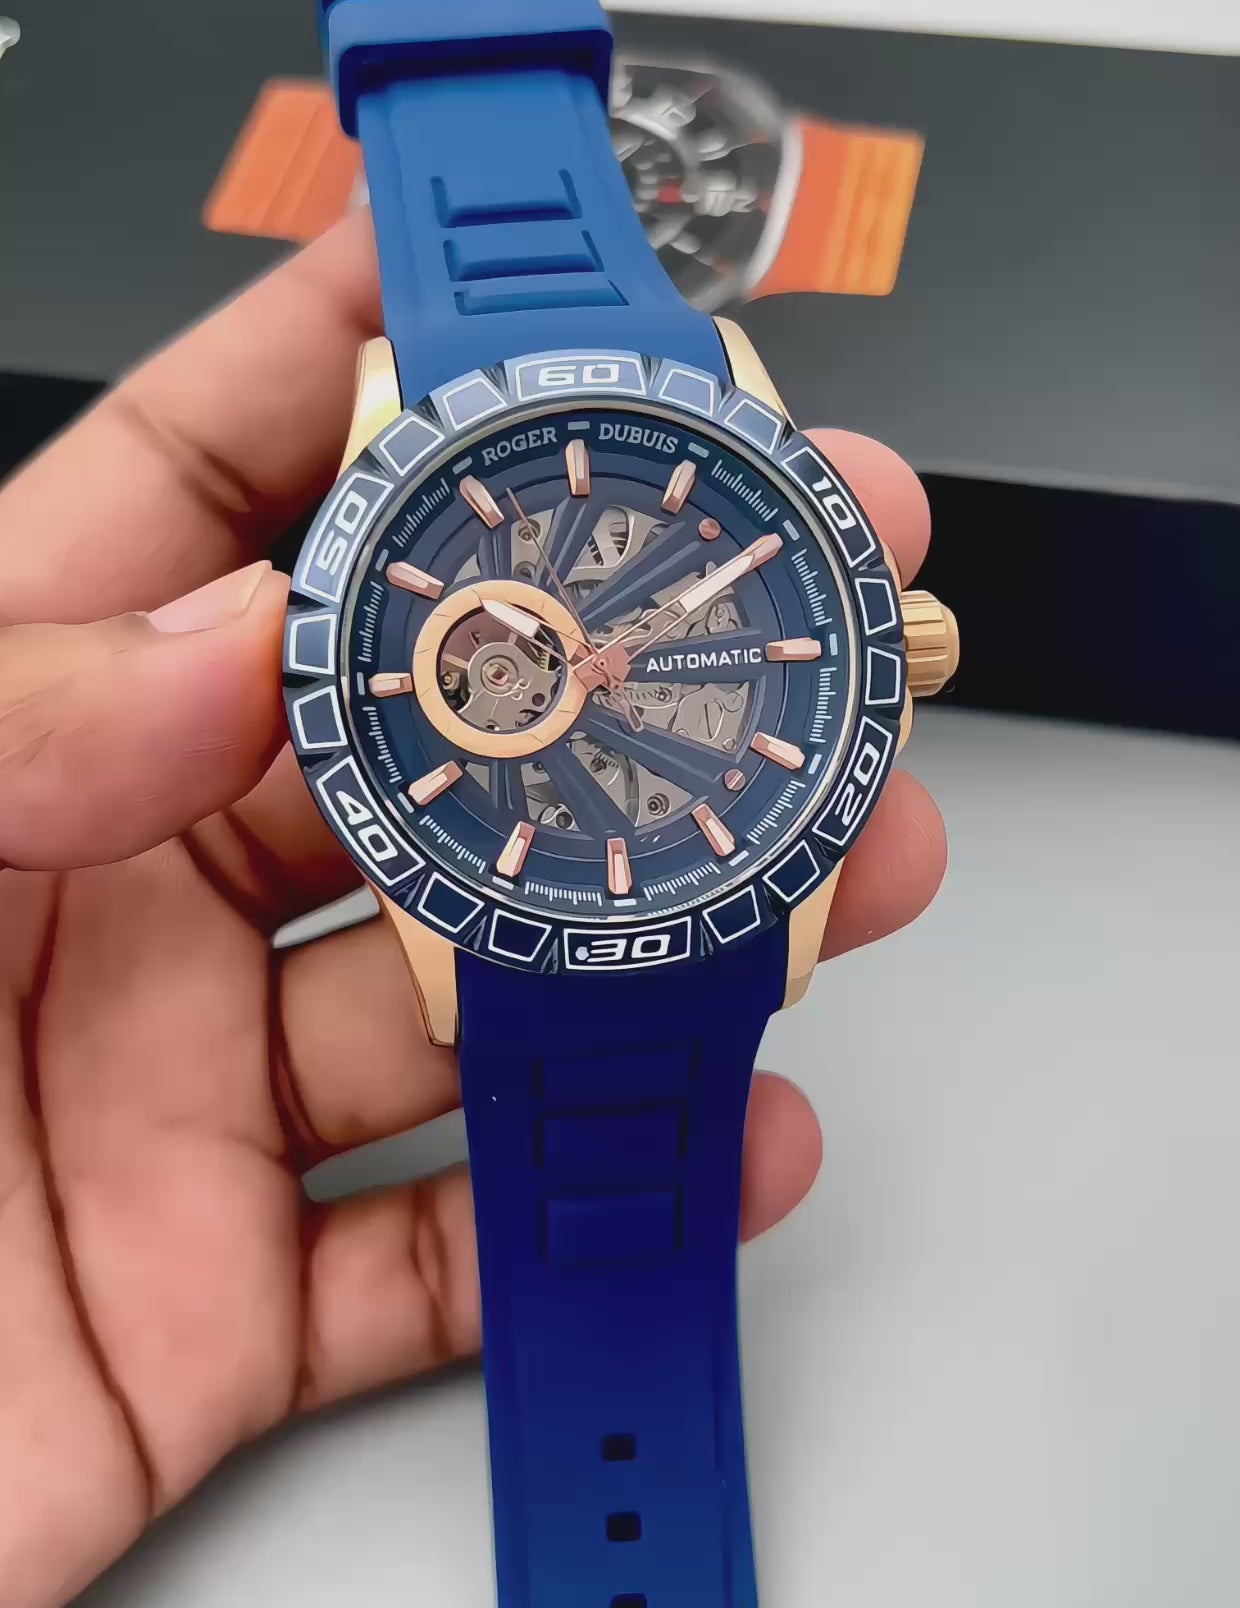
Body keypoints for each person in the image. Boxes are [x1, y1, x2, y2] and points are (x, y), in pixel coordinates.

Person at [0, 211, 947, 1605]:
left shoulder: (665, 411)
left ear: (893, 655)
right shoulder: (481, 414)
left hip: (642, 890)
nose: (583, 671)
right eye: (533, 669)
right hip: (545, 894)